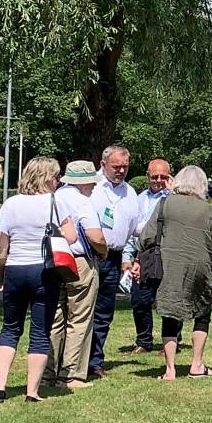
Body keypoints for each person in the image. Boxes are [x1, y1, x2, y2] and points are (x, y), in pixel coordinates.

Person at [0, 156, 78, 403]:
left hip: (15, 269)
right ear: (48, 178)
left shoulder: (11, 203)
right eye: (57, 176)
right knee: (40, 332)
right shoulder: (55, 202)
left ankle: (0, 387)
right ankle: (32, 391)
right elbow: (71, 237)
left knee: (9, 328)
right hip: (43, 270)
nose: (59, 181)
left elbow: (0, 243)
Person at [137, 165, 212, 379]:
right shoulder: (208, 209)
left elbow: (147, 236)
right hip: (201, 268)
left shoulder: (165, 204)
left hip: (170, 266)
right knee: (202, 313)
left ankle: (170, 370)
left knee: (170, 313)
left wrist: (137, 258)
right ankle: (197, 365)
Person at [50, 161, 107, 389]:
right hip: (79, 261)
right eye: (92, 182)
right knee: (79, 318)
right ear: (83, 183)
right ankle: (70, 374)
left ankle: (48, 372)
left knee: (55, 318)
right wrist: (103, 251)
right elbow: (95, 236)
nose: (94, 186)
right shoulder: (82, 201)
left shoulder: (54, 197)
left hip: (54, 259)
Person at [85, 144, 134, 377]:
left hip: (114, 257)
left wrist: (128, 257)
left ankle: (95, 361)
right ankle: (74, 361)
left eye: (125, 166)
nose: (121, 171)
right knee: (83, 310)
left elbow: (134, 229)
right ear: (103, 164)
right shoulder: (91, 187)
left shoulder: (129, 192)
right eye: (116, 166)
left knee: (104, 312)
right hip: (90, 255)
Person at [117, 158, 172, 355]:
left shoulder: (174, 199)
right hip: (144, 254)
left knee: (168, 300)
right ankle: (144, 341)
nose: (159, 180)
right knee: (140, 299)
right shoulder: (138, 199)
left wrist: (173, 191)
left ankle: (170, 342)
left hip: (167, 253)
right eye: (155, 176)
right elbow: (131, 231)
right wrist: (126, 258)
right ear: (148, 176)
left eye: (163, 177)